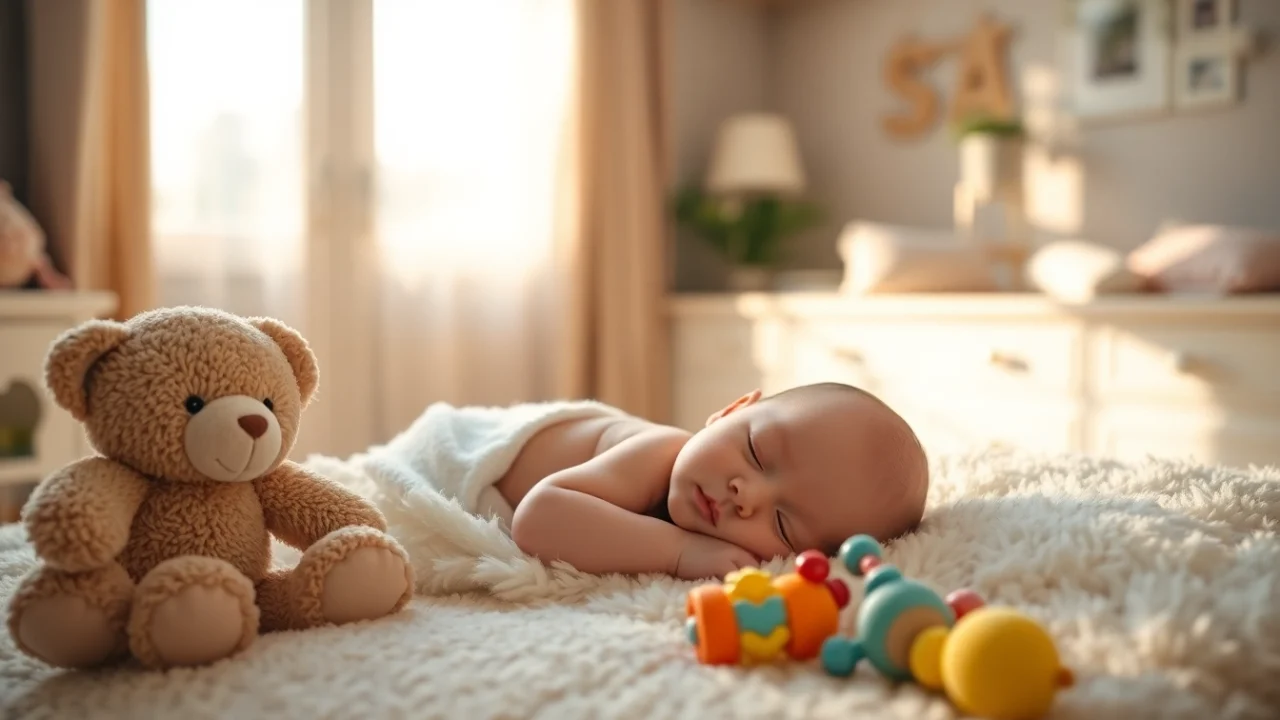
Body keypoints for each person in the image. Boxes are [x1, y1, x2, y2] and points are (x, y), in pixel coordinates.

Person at [491, 382, 930, 580]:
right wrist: (679, 551)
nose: (747, 495)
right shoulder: (656, 454)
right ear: (732, 410)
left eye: (782, 524)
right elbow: (537, 519)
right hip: (478, 448)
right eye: (757, 451)